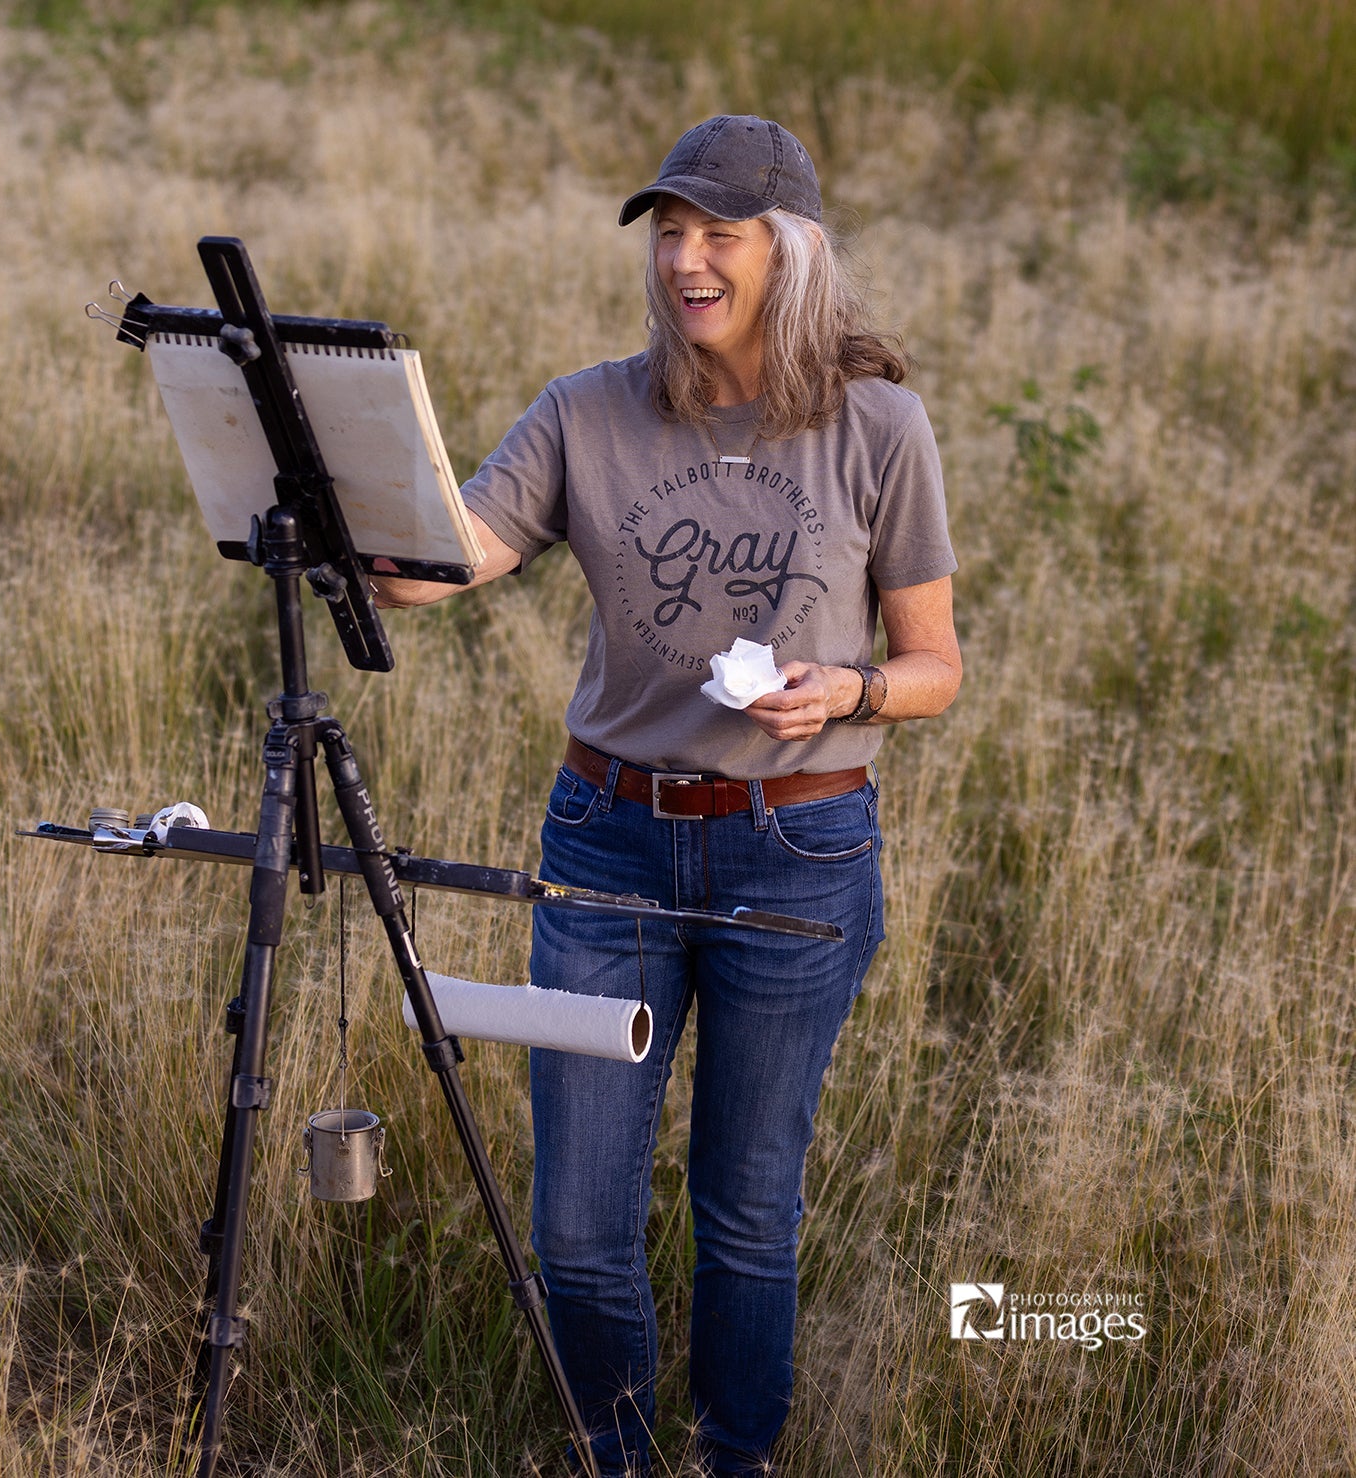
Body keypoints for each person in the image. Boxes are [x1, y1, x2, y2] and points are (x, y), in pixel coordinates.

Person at [373, 115, 961, 1478]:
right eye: (670, 230)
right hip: (610, 842)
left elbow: (935, 666)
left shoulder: (879, 425)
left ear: (789, 251)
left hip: (799, 854)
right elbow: (453, 553)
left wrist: (852, 692)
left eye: (720, 232)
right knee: (577, 1222)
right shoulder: (589, 409)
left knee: (746, 1210)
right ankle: (618, 1457)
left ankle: (732, 1457)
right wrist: (352, 514)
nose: (686, 259)